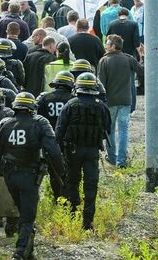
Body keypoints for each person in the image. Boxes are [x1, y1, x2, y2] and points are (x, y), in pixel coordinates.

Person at [0, 92, 65, 259]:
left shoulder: (4, 123)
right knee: (28, 216)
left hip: (10, 176)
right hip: (30, 176)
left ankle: (29, 251)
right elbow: (53, 150)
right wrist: (60, 172)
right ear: (32, 107)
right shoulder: (40, 123)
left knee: (23, 211)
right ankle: (20, 251)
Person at [56, 72, 111, 231]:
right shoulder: (101, 105)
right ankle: (88, 222)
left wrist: (59, 151)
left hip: (72, 151)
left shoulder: (70, 104)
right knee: (91, 185)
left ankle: (72, 213)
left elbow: (59, 130)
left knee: (72, 182)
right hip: (92, 151)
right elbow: (108, 127)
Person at [97, 35, 144, 168]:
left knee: (110, 130)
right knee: (124, 130)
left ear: (113, 46)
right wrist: (143, 57)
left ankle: (112, 157)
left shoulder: (104, 61)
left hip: (110, 101)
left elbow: (100, 84)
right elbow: (142, 71)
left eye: (107, 43)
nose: (105, 45)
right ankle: (121, 161)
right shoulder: (129, 58)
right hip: (126, 100)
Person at [36, 71, 75, 200]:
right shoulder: (73, 100)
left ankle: (57, 197)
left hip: (50, 141)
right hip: (69, 141)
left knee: (54, 171)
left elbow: (37, 119)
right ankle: (69, 198)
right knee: (70, 170)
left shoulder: (45, 98)